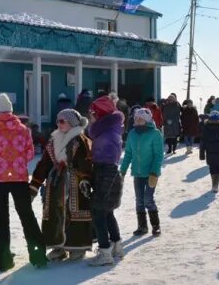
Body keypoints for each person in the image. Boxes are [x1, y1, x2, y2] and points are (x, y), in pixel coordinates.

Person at [0, 93, 47, 271]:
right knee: (27, 216)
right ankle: (38, 256)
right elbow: (30, 153)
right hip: (19, 179)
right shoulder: (23, 130)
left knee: (0, 219)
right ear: (11, 111)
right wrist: (18, 164)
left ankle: (2, 261)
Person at [29, 109, 93, 261]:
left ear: (72, 123)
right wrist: (34, 185)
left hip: (75, 184)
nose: (59, 124)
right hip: (56, 184)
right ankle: (58, 247)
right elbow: (44, 164)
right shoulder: (53, 141)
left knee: (74, 213)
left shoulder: (81, 140)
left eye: (63, 121)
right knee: (54, 213)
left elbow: (86, 162)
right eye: (58, 121)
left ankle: (77, 246)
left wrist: (85, 179)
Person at [87, 96, 125, 266]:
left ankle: (105, 252)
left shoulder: (105, 132)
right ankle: (116, 245)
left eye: (93, 113)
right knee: (108, 211)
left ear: (100, 114)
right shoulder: (111, 129)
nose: (90, 117)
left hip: (105, 172)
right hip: (110, 172)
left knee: (99, 212)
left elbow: (101, 153)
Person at [120, 108, 163, 236]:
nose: (137, 121)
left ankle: (156, 226)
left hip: (150, 173)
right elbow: (128, 154)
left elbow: (158, 155)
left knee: (148, 199)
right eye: (136, 118)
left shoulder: (155, 134)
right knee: (139, 200)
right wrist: (122, 170)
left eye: (140, 119)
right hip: (137, 173)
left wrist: (155, 172)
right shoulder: (132, 133)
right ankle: (142, 226)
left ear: (147, 120)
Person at [200, 110, 219, 193]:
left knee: (212, 169)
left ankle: (214, 184)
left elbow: (203, 141)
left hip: (210, 151)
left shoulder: (206, 127)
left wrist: (202, 154)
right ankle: (216, 185)